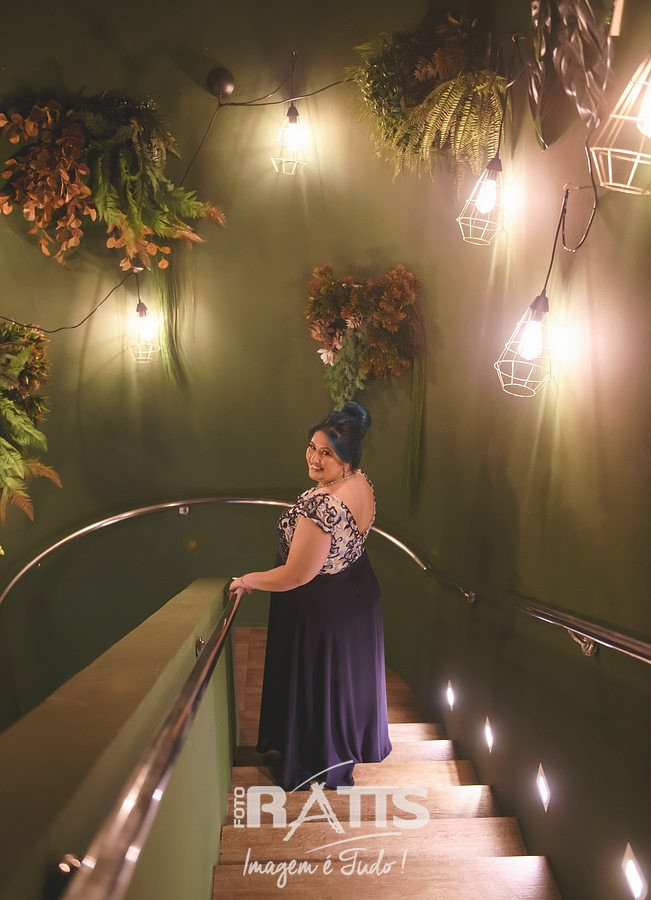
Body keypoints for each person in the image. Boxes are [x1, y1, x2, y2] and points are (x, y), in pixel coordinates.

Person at [229, 401, 393, 791]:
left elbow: (295, 575)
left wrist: (247, 580)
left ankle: (317, 759)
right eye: (312, 447)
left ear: (347, 459)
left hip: (320, 606)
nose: (314, 459)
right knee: (341, 681)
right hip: (355, 594)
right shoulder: (360, 483)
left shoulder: (323, 507)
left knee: (319, 685)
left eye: (327, 454)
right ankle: (350, 740)